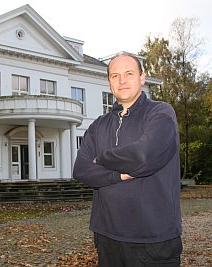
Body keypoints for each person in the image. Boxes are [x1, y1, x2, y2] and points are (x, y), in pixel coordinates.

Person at [73, 52, 182, 266]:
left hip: (153, 240)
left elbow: (144, 155)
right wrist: (118, 175)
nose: (122, 80)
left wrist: (101, 159)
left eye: (129, 73)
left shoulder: (160, 113)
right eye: (115, 75)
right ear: (109, 82)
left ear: (142, 78)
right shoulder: (98, 125)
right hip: (107, 237)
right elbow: (80, 169)